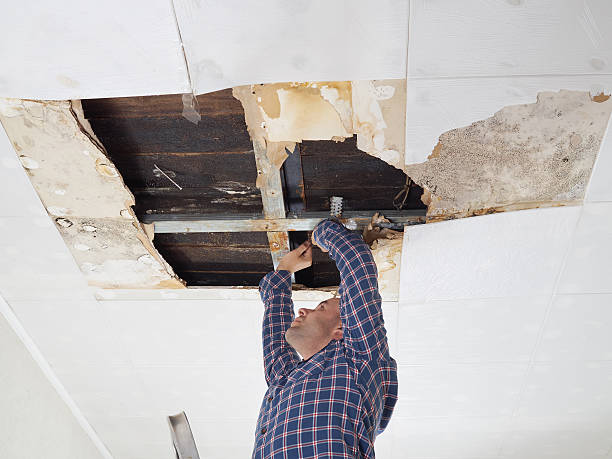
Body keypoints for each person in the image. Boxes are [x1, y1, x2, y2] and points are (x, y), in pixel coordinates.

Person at [252, 219, 398, 458]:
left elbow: (276, 339)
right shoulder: (293, 379)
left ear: (341, 331)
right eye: (321, 307)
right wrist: (321, 233)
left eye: (319, 308)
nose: (302, 311)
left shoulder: (357, 360)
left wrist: (284, 272)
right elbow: (357, 268)